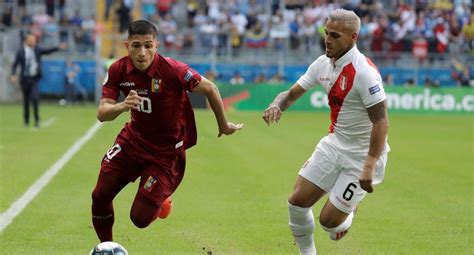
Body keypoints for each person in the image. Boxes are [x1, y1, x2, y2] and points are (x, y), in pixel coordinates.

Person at [91, 20, 243, 242]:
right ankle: (107, 248)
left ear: (156, 45)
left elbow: (210, 88)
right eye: (136, 45)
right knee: (100, 195)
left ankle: (162, 200)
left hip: (165, 153)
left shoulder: (173, 70)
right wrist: (122, 106)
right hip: (133, 141)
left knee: (139, 219)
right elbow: (102, 113)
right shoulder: (117, 69)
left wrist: (223, 124)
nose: (142, 52)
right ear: (127, 46)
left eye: (148, 45)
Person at [262, 9, 389, 255]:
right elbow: (290, 94)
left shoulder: (364, 72)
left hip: (361, 154)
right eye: (326, 33)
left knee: (329, 224)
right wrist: (277, 105)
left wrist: (370, 164)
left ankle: (348, 209)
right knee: (297, 202)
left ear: (353, 37)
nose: (327, 40)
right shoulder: (322, 63)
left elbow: (381, 121)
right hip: (334, 143)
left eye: (335, 35)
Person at [10, 33, 65, 128]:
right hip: (24, 79)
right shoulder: (20, 52)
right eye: (31, 40)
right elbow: (15, 64)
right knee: (26, 101)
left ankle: (37, 121)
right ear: (26, 40)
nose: (33, 41)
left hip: (34, 78)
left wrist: (58, 47)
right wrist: (13, 74)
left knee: (35, 98)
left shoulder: (37, 49)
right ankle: (26, 121)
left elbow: (48, 50)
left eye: (34, 40)